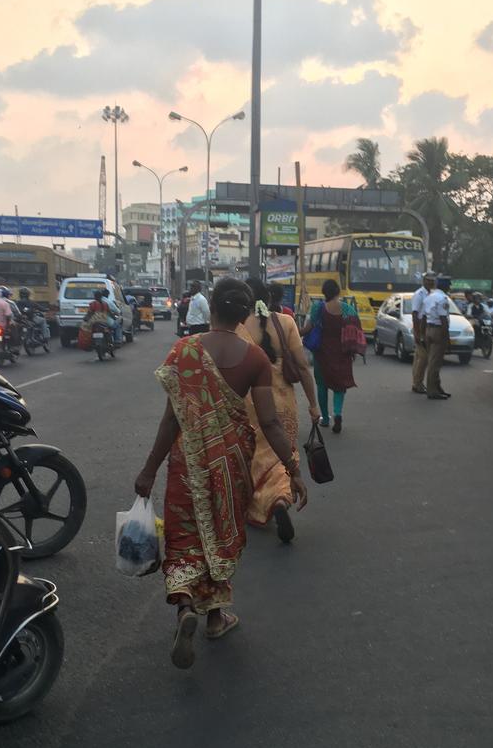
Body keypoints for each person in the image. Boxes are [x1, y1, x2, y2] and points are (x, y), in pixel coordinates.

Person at [134, 278, 308, 670]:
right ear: (245, 314)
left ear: (210, 308)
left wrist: (149, 469)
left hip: (187, 466)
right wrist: (293, 470)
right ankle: (215, 617)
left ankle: (184, 608)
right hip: (230, 468)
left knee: (185, 537)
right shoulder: (255, 360)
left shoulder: (183, 352)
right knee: (219, 537)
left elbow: (169, 421)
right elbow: (270, 424)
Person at [239, 279, 320, 543]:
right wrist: (313, 404)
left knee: (255, 454)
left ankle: (263, 502)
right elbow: (304, 368)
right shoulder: (286, 322)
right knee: (283, 452)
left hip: (251, 403)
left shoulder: (238, 327)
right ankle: (281, 498)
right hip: (284, 403)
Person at [300, 278, 357, 433]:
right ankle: (337, 413)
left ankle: (325, 418)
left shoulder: (318, 308)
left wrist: (290, 331)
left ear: (324, 292)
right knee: (340, 386)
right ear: (338, 292)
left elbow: (308, 328)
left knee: (322, 385)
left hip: (322, 354)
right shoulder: (347, 309)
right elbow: (355, 330)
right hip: (342, 354)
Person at [422, 275, 452, 400]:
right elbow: (443, 319)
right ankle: (432, 391)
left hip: (429, 329)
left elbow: (423, 317)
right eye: (449, 285)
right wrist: (447, 338)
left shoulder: (429, 297)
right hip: (438, 331)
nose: (450, 287)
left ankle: (437, 387)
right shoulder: (442, 298)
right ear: (445, 286)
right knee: (435, 363)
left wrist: (424, 334)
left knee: (433, 361)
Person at [411, 271, 435, 394]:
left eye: (432, 280)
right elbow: (415, 314)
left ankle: (416, 383)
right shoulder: (419, 294)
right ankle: (418, 384)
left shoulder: (432, 294)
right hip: (421, 327)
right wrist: (417, 333)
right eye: (428, 280)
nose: (431, 282)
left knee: (419, 358)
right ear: (424, 281)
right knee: (424, 358)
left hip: (428, 326)